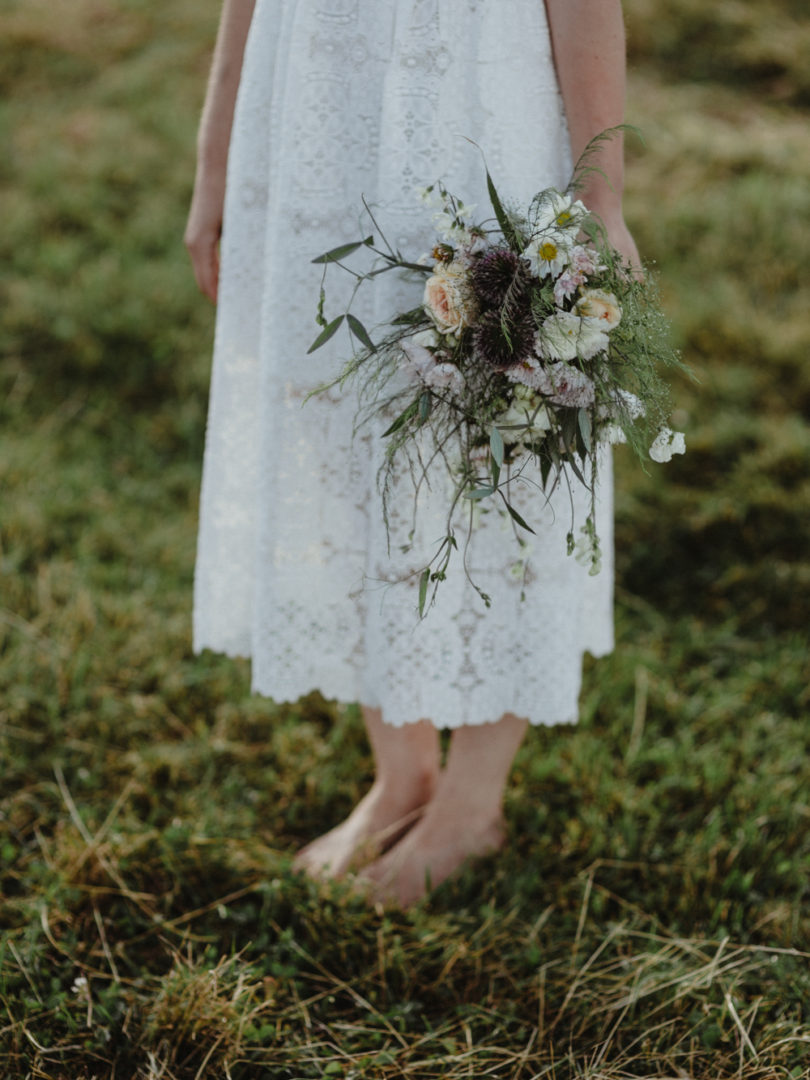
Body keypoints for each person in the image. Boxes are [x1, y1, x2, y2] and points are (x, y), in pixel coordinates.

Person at [186, 0, 640, 908]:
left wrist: (602, 201)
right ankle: (404, 776)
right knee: (342, 432)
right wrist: (217, 163)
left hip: (478, 108)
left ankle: (473, 804)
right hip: (316, 108)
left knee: (498, 435)